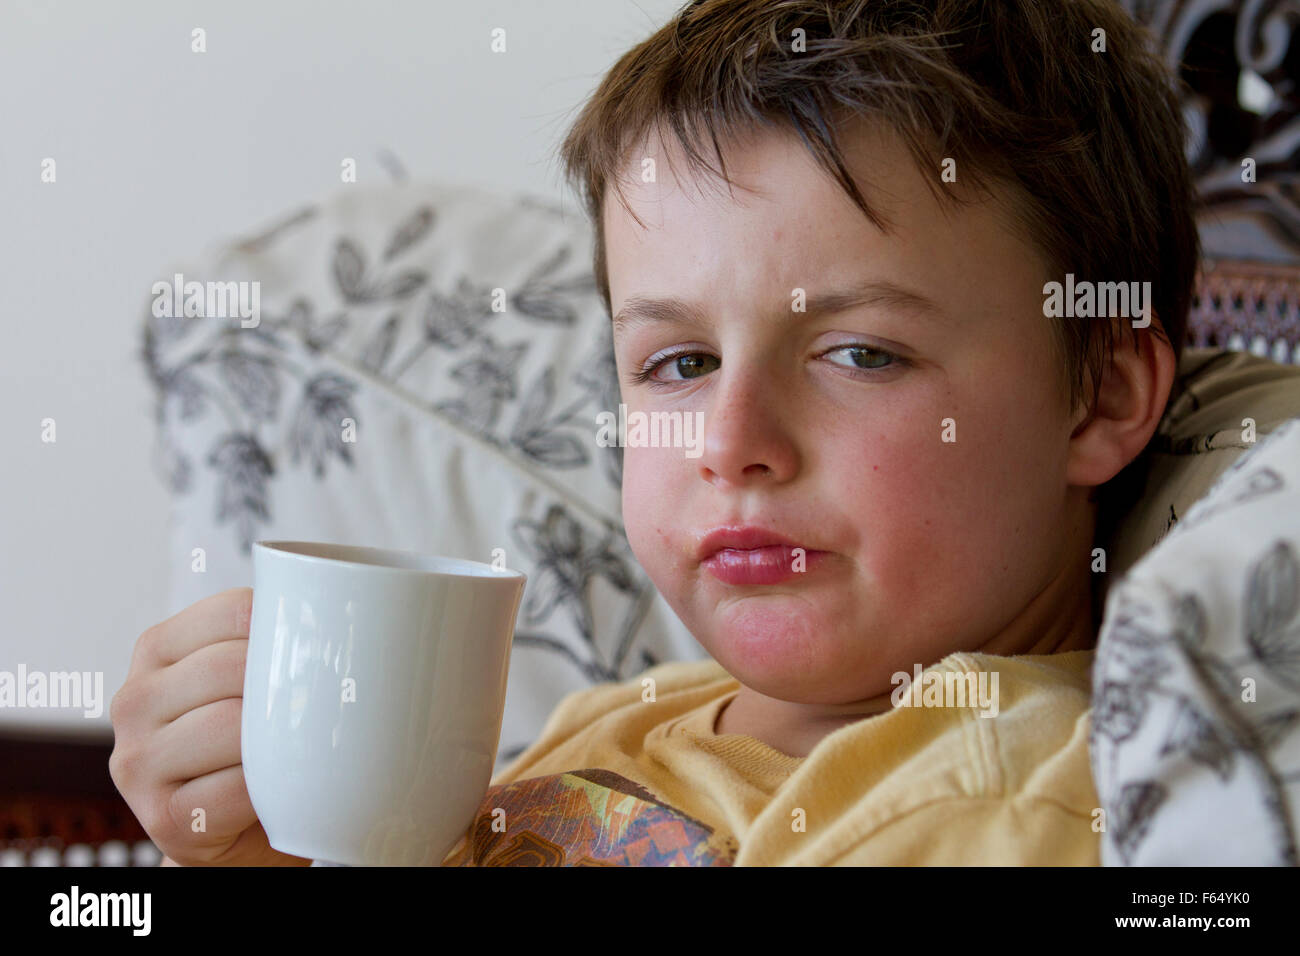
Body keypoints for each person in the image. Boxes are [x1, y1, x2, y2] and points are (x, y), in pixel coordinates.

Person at [110, 0, 1197, 866]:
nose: (732, 442)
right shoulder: (625, 720)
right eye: (680, 362)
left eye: (861, 352)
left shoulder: (1000, 803)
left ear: (1097, 394)